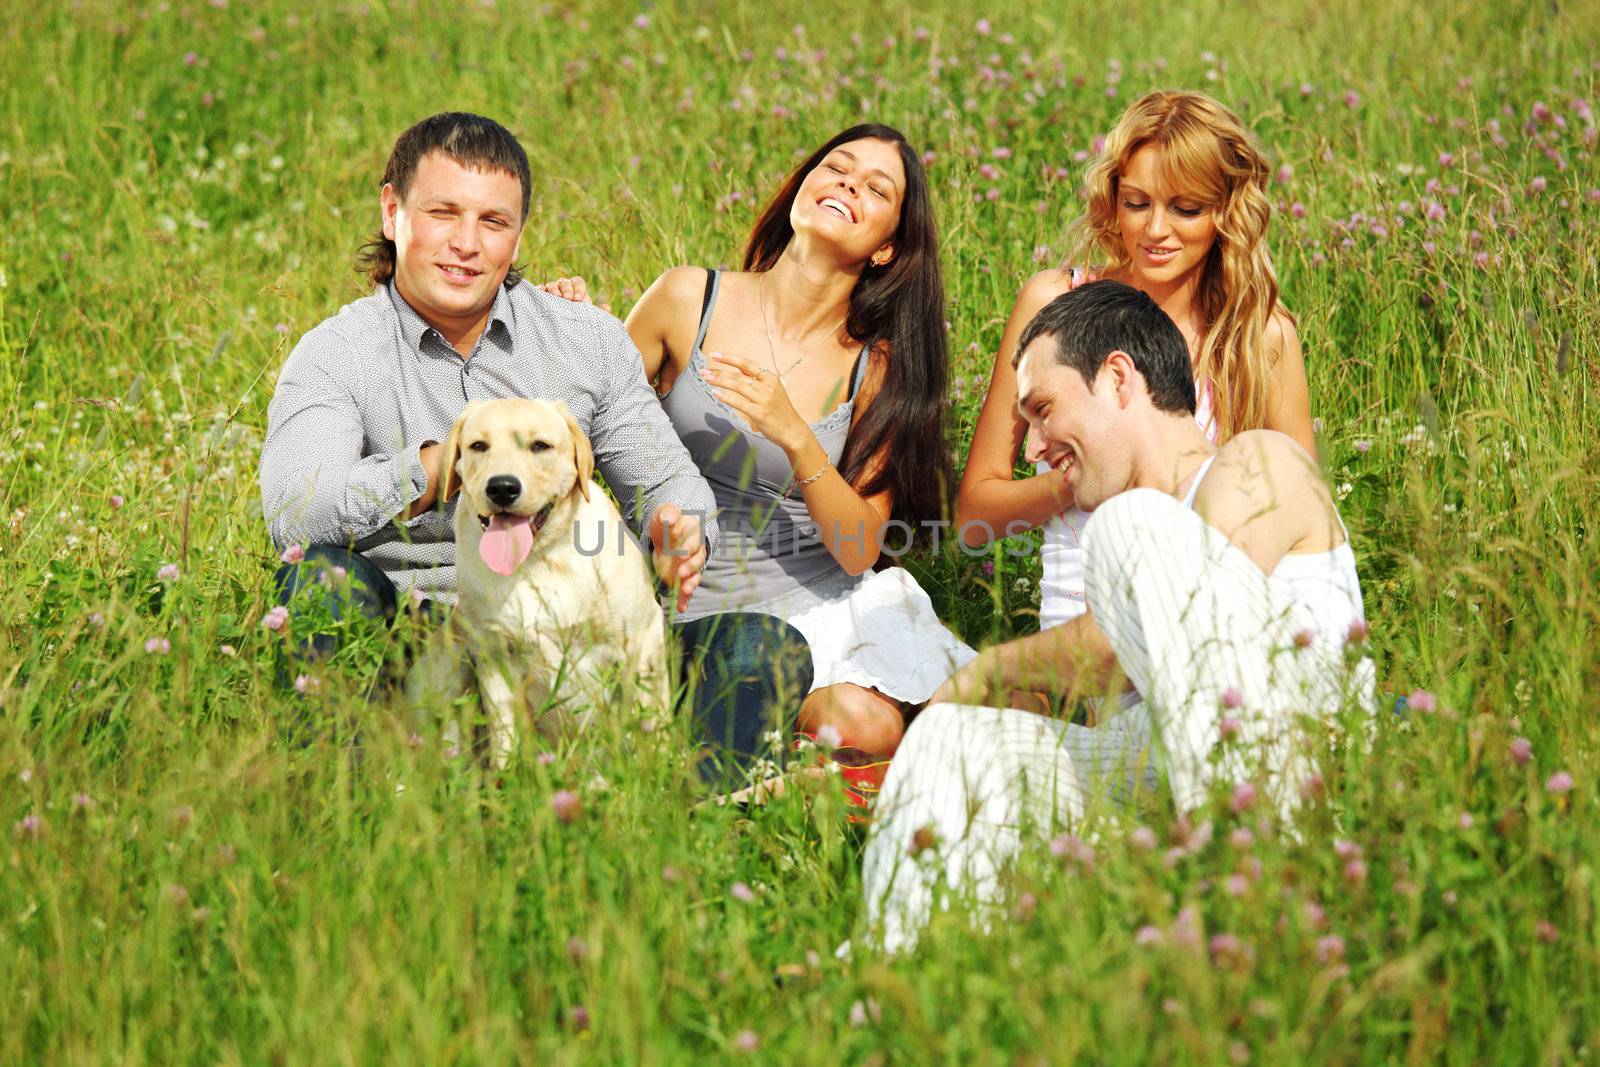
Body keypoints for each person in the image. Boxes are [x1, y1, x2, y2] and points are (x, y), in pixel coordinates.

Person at [858, 281, 1374, 953]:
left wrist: (990, 666)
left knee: (1127, 526)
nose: (1034, 447)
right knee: (952, 739)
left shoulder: (1258, 462)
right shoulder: (1141, 534)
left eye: (1043, 410)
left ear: (1119, 377)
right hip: (1164, 773)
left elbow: (1120, 643)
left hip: (1290, 786)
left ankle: (1269, 911)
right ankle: (896, 976)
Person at [548, 124, 974, 781]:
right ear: (802, 185)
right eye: (837, 167)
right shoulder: (686, 298)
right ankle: (791, 773)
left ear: (888, 246)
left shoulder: (878, 366)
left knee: (872, 724)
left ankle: (812, 776)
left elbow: (860, 545)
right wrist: (565, 335)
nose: (847, 186)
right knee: (859, 731)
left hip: (825, 608)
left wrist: (796, 434)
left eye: (875, 188)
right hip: (698, 608)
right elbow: (573, 432)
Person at [259, 112, 716, 653]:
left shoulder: (586, 340)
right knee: (319, 580)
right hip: (410, 625)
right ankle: (357, 734)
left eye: (493, 222)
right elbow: (293, 515)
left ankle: (653, 737)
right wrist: (432, 469)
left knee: (758, 644)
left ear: (517, 238)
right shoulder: (336, 353)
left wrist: (678, 532)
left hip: (568, 631)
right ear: (391, 212)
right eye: (443, 213)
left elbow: (668, 484)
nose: (466, 243)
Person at [956, 89, 1314, 639]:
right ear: (1112, 199)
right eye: (1137, 203)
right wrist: (1079, 481)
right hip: (1070, 644)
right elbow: (973, 519)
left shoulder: (1258, 338)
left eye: (1186, 208)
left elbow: (1302, 532)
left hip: (1203, 634)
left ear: (1226, 212)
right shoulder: (1054, 303)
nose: (1155, 230)